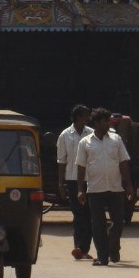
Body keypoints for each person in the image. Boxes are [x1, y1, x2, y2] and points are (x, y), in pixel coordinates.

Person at [76, 106, 134, 266]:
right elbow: (81, 166)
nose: (108, 124)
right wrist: (80, 189)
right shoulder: (85, 142)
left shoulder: (116, 140)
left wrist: (128, 185)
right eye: (104, 122)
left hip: (115, 188)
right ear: (96, 123)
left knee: (118, 222)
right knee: (98, 224)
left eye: (108, 121)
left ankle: (113, 248)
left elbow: (123, 163)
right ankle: (103, 257)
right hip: (95, 189)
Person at [57, 104, 93, 260]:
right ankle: (78, 247)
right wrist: (61, 183)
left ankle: (84, 248)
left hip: (90, 180)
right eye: (86, 115)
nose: (88, 118)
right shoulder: (65, 135)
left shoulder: (92, 134)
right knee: (79, 215)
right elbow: (61, 161)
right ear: (78, 117)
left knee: (90, 215)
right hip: (72, 180)